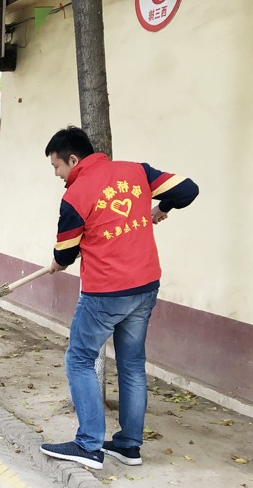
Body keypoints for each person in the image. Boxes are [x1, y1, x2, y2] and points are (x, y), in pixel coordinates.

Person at [39, 126, 198, 470]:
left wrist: (58, 262)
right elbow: (188, 189)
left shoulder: (76, 195)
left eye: (56, 166)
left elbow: (65, 252)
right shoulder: (136, 172)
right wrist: (163, 206)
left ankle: (89, 445)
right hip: (145, 286)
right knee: (132, 365)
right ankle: (129, 446)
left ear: (73, 160)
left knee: (79, 359)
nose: (56, 174)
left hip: (105, 294)